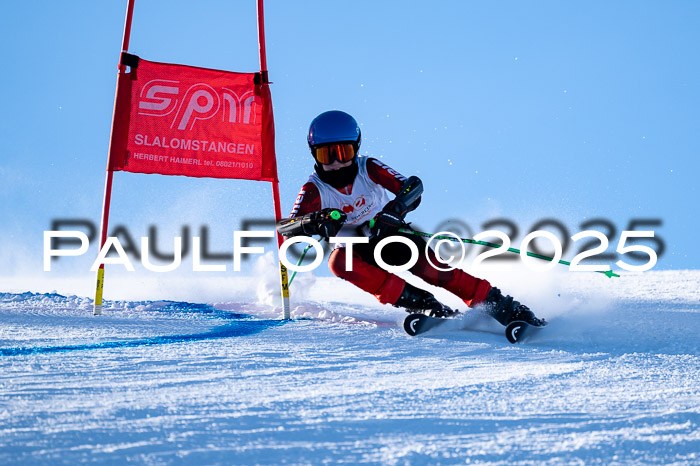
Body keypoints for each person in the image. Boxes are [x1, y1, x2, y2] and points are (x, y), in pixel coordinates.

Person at [277, 110, 544, 326]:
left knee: (434, 270)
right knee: (339, 263)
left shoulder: (367, 168)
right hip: (355, 251)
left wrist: (393, 213)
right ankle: (425, 305)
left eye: (343, 152)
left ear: (355, 149)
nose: (336, 162)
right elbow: (286, 228)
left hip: (389, 235)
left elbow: (412, 186)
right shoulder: (314, 190)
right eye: (326, 154)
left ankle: (504, 308)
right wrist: (314, 221)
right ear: (314, 154)